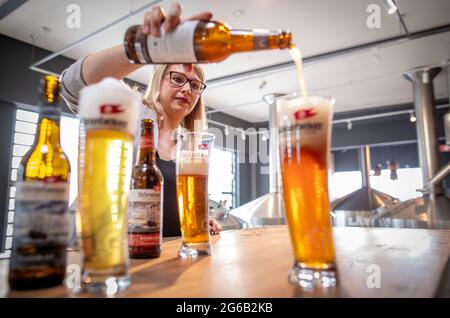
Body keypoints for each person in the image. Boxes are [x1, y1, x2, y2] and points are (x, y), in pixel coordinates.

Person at [60, 3, 222, 237]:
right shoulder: (133, 112)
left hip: (164, 263)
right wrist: (146, 47)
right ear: (158, 80)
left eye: (195, 85)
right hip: (109, 253)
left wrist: (199, 219)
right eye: (177, 79)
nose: (187, 89)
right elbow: (72, 86)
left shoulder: (189, 146)